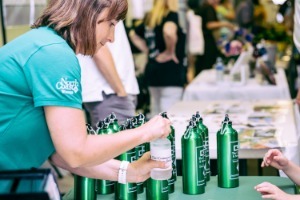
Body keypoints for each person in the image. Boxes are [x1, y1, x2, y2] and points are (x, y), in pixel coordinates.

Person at [0, 0, 171, 184]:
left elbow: (61, 153)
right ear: (89, 13)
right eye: (111, 24)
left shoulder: (45, 43)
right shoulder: (54, 54)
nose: (111, 38)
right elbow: (76, 152)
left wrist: (130, 172)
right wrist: (145, 132)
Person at [129, 0, 187, 117]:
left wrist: (148, 51)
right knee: (169, 116)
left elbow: (133, 34)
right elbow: (168, 31)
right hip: (170, 72)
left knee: (155, 112)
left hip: (152, 70)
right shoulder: (171, 15)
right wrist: (170, 52)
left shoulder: (150, 17)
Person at [78, 21, 139, 126]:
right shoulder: (97, 5)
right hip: (109, 93)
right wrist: (120, 91)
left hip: (113, 93)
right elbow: (97, 45)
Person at [194, 0, 235, 75]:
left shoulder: (203, 7)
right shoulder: (209, 8)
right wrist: (225, 24)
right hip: (207, 40)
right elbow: (209, 24)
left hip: (201, 41)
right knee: (207, 66)